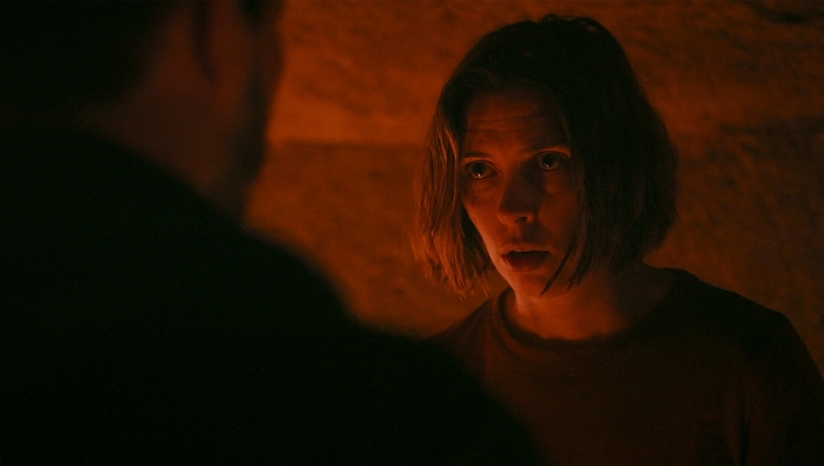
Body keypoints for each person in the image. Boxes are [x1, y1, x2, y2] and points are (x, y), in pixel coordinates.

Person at [0, 2, 540, 464]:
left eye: (547, 162)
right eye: (273, 33)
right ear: (213, 30)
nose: (515, 207)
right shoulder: (367, 413)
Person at [415, 14, 824, 464]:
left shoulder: (749, 362)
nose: (511, 208)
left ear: (615, 164)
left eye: (549, 161)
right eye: (480, 170)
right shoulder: (432, 389)